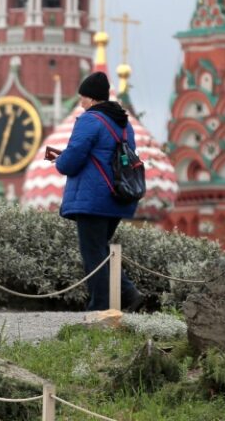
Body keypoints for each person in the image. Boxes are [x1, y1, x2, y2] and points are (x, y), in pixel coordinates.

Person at [51, 72, 144, 311]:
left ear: (91, 99)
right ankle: (128, 294)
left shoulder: (90, 120)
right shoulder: (124, 124)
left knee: (93, 252)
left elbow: (72, 159)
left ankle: (100, 306)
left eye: (83, 97)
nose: (81, 102)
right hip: (119, 196)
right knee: (101, 249)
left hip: (93, 198)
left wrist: (59, 162)